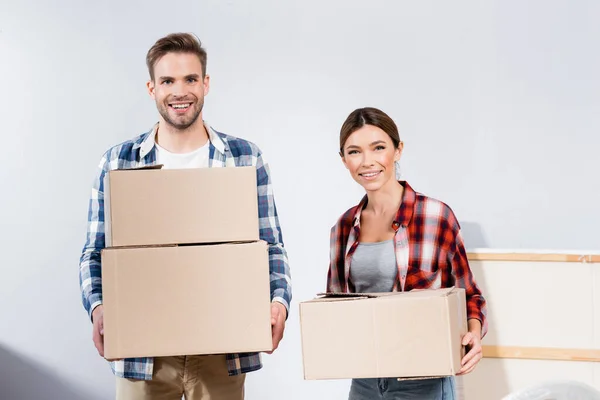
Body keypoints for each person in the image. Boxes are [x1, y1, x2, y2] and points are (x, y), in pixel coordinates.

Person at [78, 32, 292, 400]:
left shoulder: (243, 158)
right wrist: (98, 306)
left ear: (206, 84)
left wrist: (278, 302)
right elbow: (95, 252)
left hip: (222, 345)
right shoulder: (118, 162)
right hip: (143, 352)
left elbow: (269, 245)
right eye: (168, 81)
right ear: (151, 88)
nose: (180, 91)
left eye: (191, 79)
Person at [327, 107, 487, 400]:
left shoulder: (436, 216)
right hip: (365, 381)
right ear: (343, 160)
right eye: (354, 152)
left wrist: (474, 336)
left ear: (398, 150)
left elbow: (470, 296)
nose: (367, 162)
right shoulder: (343, 228)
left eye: (378, 148)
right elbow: (337, 308)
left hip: (424, 381)